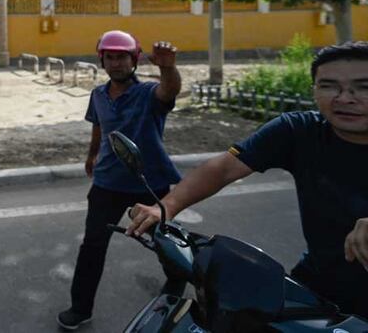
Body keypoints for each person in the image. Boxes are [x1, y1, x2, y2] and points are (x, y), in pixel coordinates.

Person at [126, 41, 368, 317]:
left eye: (364, 87)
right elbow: (224, 168)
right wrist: (165, 207)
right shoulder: (299, 131)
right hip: (316, 288)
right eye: (328, 86)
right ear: (313, 90)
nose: (345, 98)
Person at [57, 30, 183, 330]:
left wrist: (168, 67)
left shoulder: (148, 93)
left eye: (122, 57)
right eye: (110, 57)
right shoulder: (98, 95)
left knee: (164, 243)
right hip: (106, 185)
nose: (116, 64)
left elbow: (169, 91)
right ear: (102, 60)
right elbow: (99, 127)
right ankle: (80, 308)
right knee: (92, 246)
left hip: (148, 184)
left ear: (134, 60)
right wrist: (91, 156)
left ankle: (178, 281)